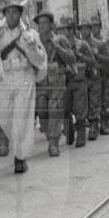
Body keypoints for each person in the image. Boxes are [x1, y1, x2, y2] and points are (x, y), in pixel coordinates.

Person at [0, 1, 45, 172]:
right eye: (8, 12)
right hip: (5, 77)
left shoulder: (30, 34)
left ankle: (20, 157)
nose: (11, 16)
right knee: (4, 118)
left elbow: (40, 61)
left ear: (20, 14)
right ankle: (18, 146)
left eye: (14, 12)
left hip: (24, 76)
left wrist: (32, 46)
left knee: (22, 118)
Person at [34, 10, 75, 156]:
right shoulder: (35, 41)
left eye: (45, 22)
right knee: (42, 111)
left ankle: (53, 142)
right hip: (41, 81)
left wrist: (58, 48)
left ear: (51, 25)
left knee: (55, 110)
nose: (41, 25)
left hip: (57, 80)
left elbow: (71, 59)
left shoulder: (60, 40)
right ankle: (50, 133)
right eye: (39, 23)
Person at [57, 17, 94, 147]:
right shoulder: (58, 45)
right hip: (64, 82)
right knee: (65, 109)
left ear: (71, 30)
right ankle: (69, 131)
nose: (61, 32)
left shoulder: (82, 45)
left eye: (64, 30)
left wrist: (80, 56)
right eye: (59, 30)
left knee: (80, 110)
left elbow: (92, 62)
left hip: (79, 80)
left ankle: (81, 135)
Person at [79, 18, 109, 140]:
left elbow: (108, 60)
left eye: (86, 29)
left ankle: (93, 126)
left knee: (94, 102)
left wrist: (97, 55)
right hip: (82, 78)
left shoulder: (99, 44)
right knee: (82, 104)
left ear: (90, 30)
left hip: (95, 77)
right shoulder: (78, 44)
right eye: (82, 29)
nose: (84, 31)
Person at [90, 14, 109, 135]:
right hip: (95, 74)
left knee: (105, 100)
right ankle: (95, 124)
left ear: (100, 26)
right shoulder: (89, 41)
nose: (93, 28)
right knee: (94, 101)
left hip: (106, 73)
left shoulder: (107, 40)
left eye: (95, 26)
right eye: (91, 26)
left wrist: (104, 50)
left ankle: (104, 123)